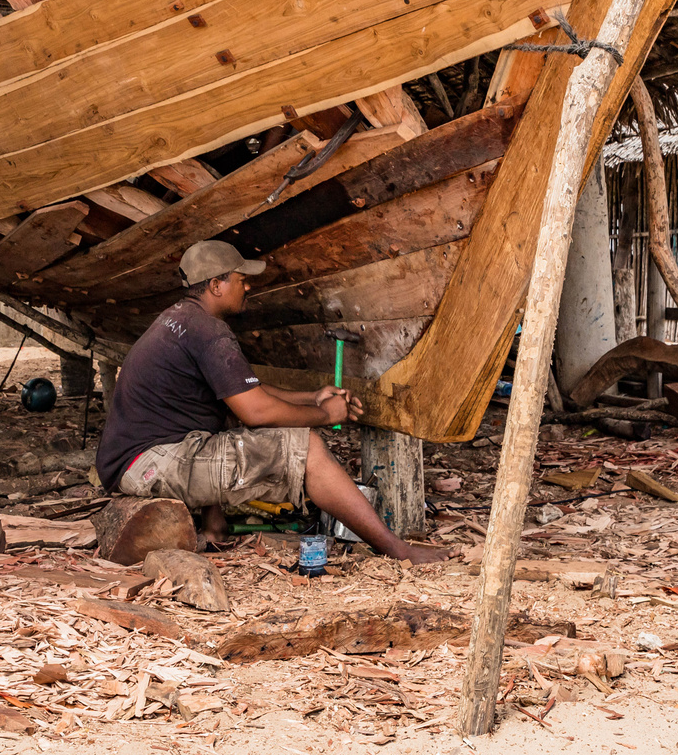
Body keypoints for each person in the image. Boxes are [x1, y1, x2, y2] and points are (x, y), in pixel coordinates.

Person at [96, 240, 449, 563]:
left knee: (224, 418)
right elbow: (257, 411)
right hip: (150, 465)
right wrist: (324, 415)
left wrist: (312, 396)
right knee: (308, 447)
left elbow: (246, 390)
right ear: (216, 285)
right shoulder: (209, 331)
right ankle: (398, 549)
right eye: (240, 279)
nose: (247, 286)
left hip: (140, 459)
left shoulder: (180, 319)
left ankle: (215, 529)